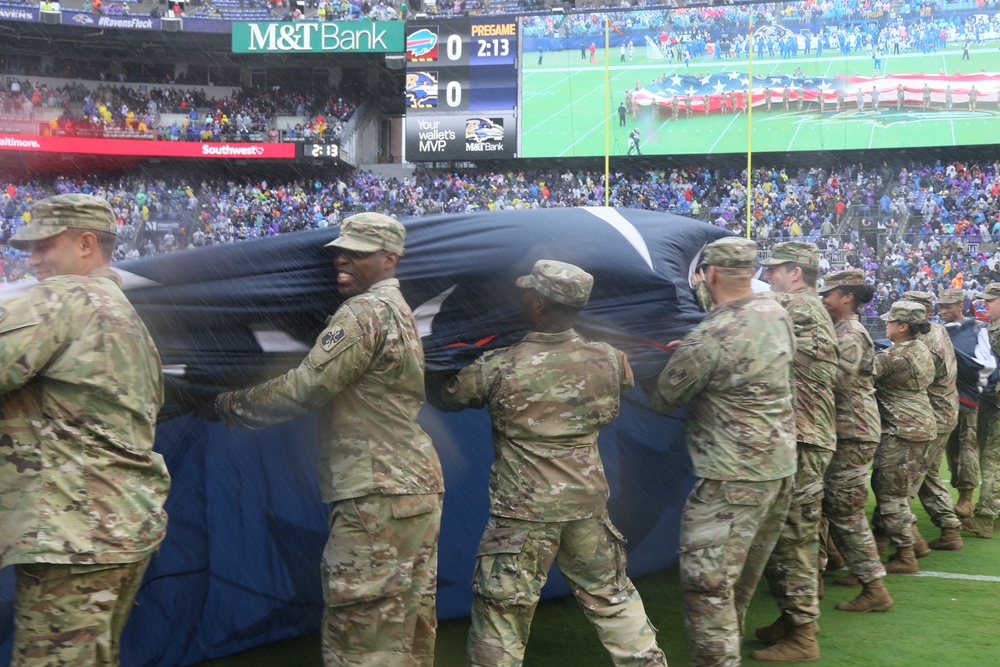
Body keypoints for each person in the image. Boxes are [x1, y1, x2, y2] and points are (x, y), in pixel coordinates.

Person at [203, 213, 445, 666]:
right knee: (406, 627)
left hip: (378, 491)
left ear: (390, 259)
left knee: (363, 636)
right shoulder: (400, 310)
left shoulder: (365, 312)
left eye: (357, 251)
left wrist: (224, 403)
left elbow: (302, 389)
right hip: (412, 487)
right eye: (339, 249)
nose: (341, 258)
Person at [442, 260, 666, 667]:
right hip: (586, 507)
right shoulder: (611, 360)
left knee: (502, 613)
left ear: (539, 305)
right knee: (613, 597)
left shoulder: (500, 365)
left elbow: (449, 395)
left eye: (528, 293)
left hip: (522, 515)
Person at [0, 193, 171, 665]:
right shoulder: (129, 317)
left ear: (86, 244)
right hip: (121, 528)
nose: (31, 259)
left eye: (43, 246)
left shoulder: (66, 298)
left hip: (73, 537)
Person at [650, 237, 797, 667]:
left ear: (710, 275)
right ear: (749, 272)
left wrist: (686, 359)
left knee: (708, 584)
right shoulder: (775, 312)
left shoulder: (711, 334)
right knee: (736, 585)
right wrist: (697, 356)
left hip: (733, 477)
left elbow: (664, 398)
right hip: (778, 466)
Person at [754, 242, 838, 663]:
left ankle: (803, 634)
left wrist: (703, 282)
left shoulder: (796, 306)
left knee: (794, 540)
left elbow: (741, 303)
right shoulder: (807, 307)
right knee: (786, 536)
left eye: (774, 271)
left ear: (796, 273)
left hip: (803, 439)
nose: (767, 276)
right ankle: (792, 620)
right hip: (805, 435)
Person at [817, 270, 893, 612]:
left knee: (845, 511)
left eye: (828, 294)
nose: (823, 299)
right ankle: (828, 562)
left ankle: (874, 587)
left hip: (852, 431)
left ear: (847, 297)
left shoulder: (851, 333)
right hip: (842, 429)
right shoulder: (839, 329)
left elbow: (834, 380)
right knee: (826, 505)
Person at [872, 301, 937, 572]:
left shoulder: (894, 357)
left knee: (889, 495)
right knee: (897, 492)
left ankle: (906, 554)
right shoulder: (923, 350)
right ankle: (912, 544)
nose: (886, 325)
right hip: (921, 426)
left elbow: (859, 375)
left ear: (903, 327)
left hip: (902, 430)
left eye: (890, 322)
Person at [901, 291, 964, 553]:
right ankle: (949, 529)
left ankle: (906, 539)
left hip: (933, 415)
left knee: (907, 477)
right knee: (927, 474)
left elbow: (912, 377)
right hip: (943, 410)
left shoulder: (925, 340)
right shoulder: (938, 330)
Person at [932, 289, 995, 543]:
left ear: (960, 305)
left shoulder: (977, 330)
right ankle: (952, 496)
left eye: (948, 305)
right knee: (950, 448)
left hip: (967, 399)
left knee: (968, 447)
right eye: (941, 305)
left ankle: (967, 498)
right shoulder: (938, 330)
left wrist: (973, 386)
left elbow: (986, 366)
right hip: (940, 400)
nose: (943, 309)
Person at [967, 282, 1000, 538]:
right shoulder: (989, 328)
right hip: (988, 403)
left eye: (990, 300)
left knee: (992, 458)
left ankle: (986, 517)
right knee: (987, 456)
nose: (984, 304)